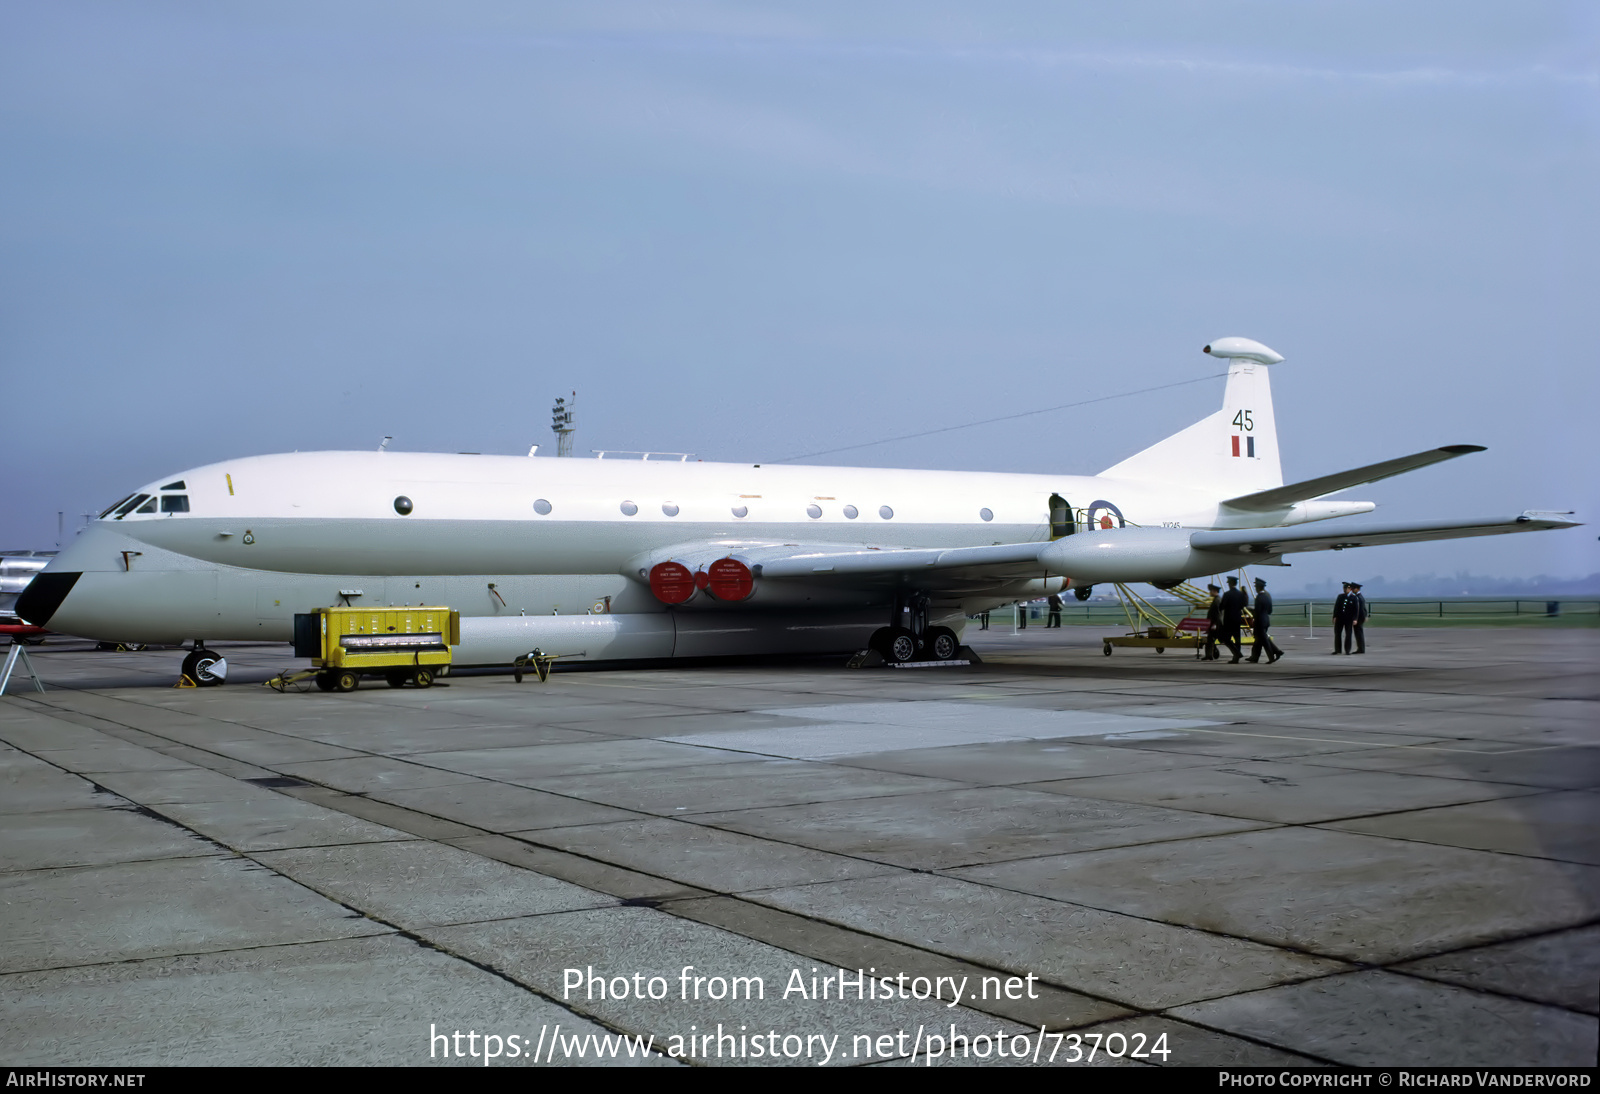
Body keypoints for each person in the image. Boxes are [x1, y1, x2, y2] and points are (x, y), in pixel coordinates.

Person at [1247, 577, 1283, 663]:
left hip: (1260, 621)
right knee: (1259, 639)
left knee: (1264, 640)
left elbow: (1257, 612)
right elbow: (1269, 610)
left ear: (1258, 587)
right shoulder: (1267, 596)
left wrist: (1248, 609)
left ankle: (1272, 656)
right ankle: (1255, 657)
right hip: (1266, 620)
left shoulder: (1259, 597)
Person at [1217, 576, 1249, 663]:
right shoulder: (1241, 594)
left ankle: (1237, 653)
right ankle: (1236, 658)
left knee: (1226, 639)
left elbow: (1221, 607)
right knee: (1237, 639)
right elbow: (1245, 604)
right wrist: (1245, 594)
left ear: (1230, 584)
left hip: (1228, 620)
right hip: (1238, 619)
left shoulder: (1227, 594)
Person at [1332, 582, 1355, 654]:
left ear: (1350, 589)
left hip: (1348, 619)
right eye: (1344, 588)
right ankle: (1337, 650)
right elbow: (1336, 607)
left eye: (1347, 588)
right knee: (1337, 634)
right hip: (1340, 618)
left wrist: (1355, 618)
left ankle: (1347, 650)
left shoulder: (1353, 597)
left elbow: (1355, 609)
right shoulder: (1340, 596)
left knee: (1348, 634)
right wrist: (1334, 616)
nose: (1345, 590)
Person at [1203, 583, 1223, 660]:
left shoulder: (1217, 600)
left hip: (1215, 624)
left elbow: (1217, 614)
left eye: (1211, 591)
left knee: (1212, 640)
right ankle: (1209, 655)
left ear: (1214, 591)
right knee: (1210, 640)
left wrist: (1214, 624)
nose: (1209, 593)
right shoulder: (1217, 599)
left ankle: (1209, 655)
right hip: (1215, 624)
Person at [1347, 582, 1368, 654]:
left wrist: (1355, 618)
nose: (1352, 590)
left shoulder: (1358, 598)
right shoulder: (1360, 597)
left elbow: (1358, 609)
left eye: (1353, 588)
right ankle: (1360, 648)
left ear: (1357, 589)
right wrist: (1365, 616)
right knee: (1359, 633)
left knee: (1359, 634)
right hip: (1360, 617)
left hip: (1358, 618)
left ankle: (1361, 649)